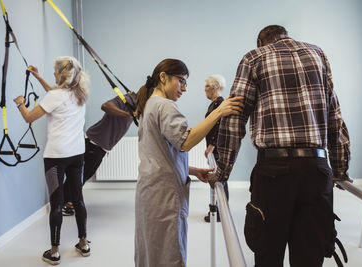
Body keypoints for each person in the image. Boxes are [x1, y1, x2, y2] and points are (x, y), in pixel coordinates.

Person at [208, 25, 351, 267]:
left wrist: (222, 173)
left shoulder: (254, 57)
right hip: (316, 169)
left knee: (268, 254)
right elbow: (334, 117)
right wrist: (339, 170)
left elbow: (234, 118)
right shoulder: (318, 55)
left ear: (261, 42)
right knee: (310, 257)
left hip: (274, 171)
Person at [134, 58, 244, 267]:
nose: (184, 88)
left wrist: (190, 169)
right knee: (167, 252)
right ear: (163, 77)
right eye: (181, 81)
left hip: (151, 189)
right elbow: (185, 142)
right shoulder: (164, 106)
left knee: (151, 250)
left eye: (186, 83)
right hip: (163, 194)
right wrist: (219, 112)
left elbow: (158, 152)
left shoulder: (150, 104)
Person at [14, 56, 91, 265]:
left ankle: (55, 251)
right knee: (78, 200)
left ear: (61, 75)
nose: (54, 75)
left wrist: (21, 104)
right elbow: (55, 94)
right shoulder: (79, 93)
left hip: (56, 158)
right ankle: (83, 244)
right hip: (77, 155)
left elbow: (29, 117)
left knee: (56, 203)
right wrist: (38, 77)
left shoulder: (55, 96)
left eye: (55, 72)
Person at [62, 92, 136, 216]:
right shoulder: (125, 100)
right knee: (80, 175)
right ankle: (64, 203)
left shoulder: (135, 105)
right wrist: (127, 114)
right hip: (94, 142)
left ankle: (69, 201)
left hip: (100, 145)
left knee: (83, 175)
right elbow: (105, 106)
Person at [203, 74, 229, 223]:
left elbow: (220, 126)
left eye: (207, 86)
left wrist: (212, 145)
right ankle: (217, 210)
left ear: (214, 87)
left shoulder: (220, 103)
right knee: (217, 178)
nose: (205, 89)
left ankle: (220, 212)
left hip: (217, 148)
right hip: (214, 148)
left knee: (220, 179)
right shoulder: (214, 104)